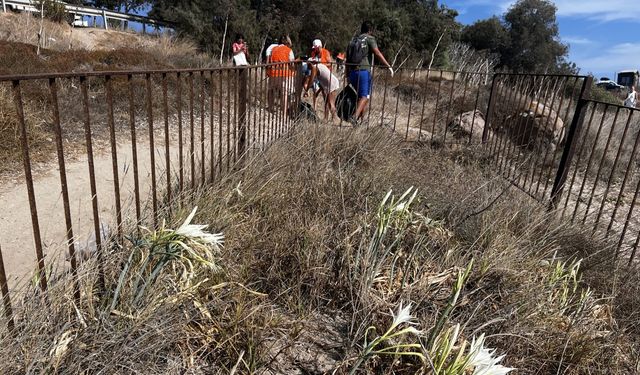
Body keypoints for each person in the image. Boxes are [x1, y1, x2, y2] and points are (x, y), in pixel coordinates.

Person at [346, 21, 393, 125]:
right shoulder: (369, 39)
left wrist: (347, 75)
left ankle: (360, 122)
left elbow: (347, 60)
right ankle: (354, 117)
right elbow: (377, 52)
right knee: (365, 97)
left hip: (352, 72)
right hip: (363, 72)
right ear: (370, 30)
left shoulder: (353, 40)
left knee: (360, 98)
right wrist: (388, 66)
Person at [267, 36, 296, 115]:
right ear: (287, 42)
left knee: (271, 90)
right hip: (285, 75)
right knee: (285, 93)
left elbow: (269, 61)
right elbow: (292, 64)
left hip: (273, 73)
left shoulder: (273, 49)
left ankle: (270, 108)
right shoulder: (289, 50)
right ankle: (284, 113)